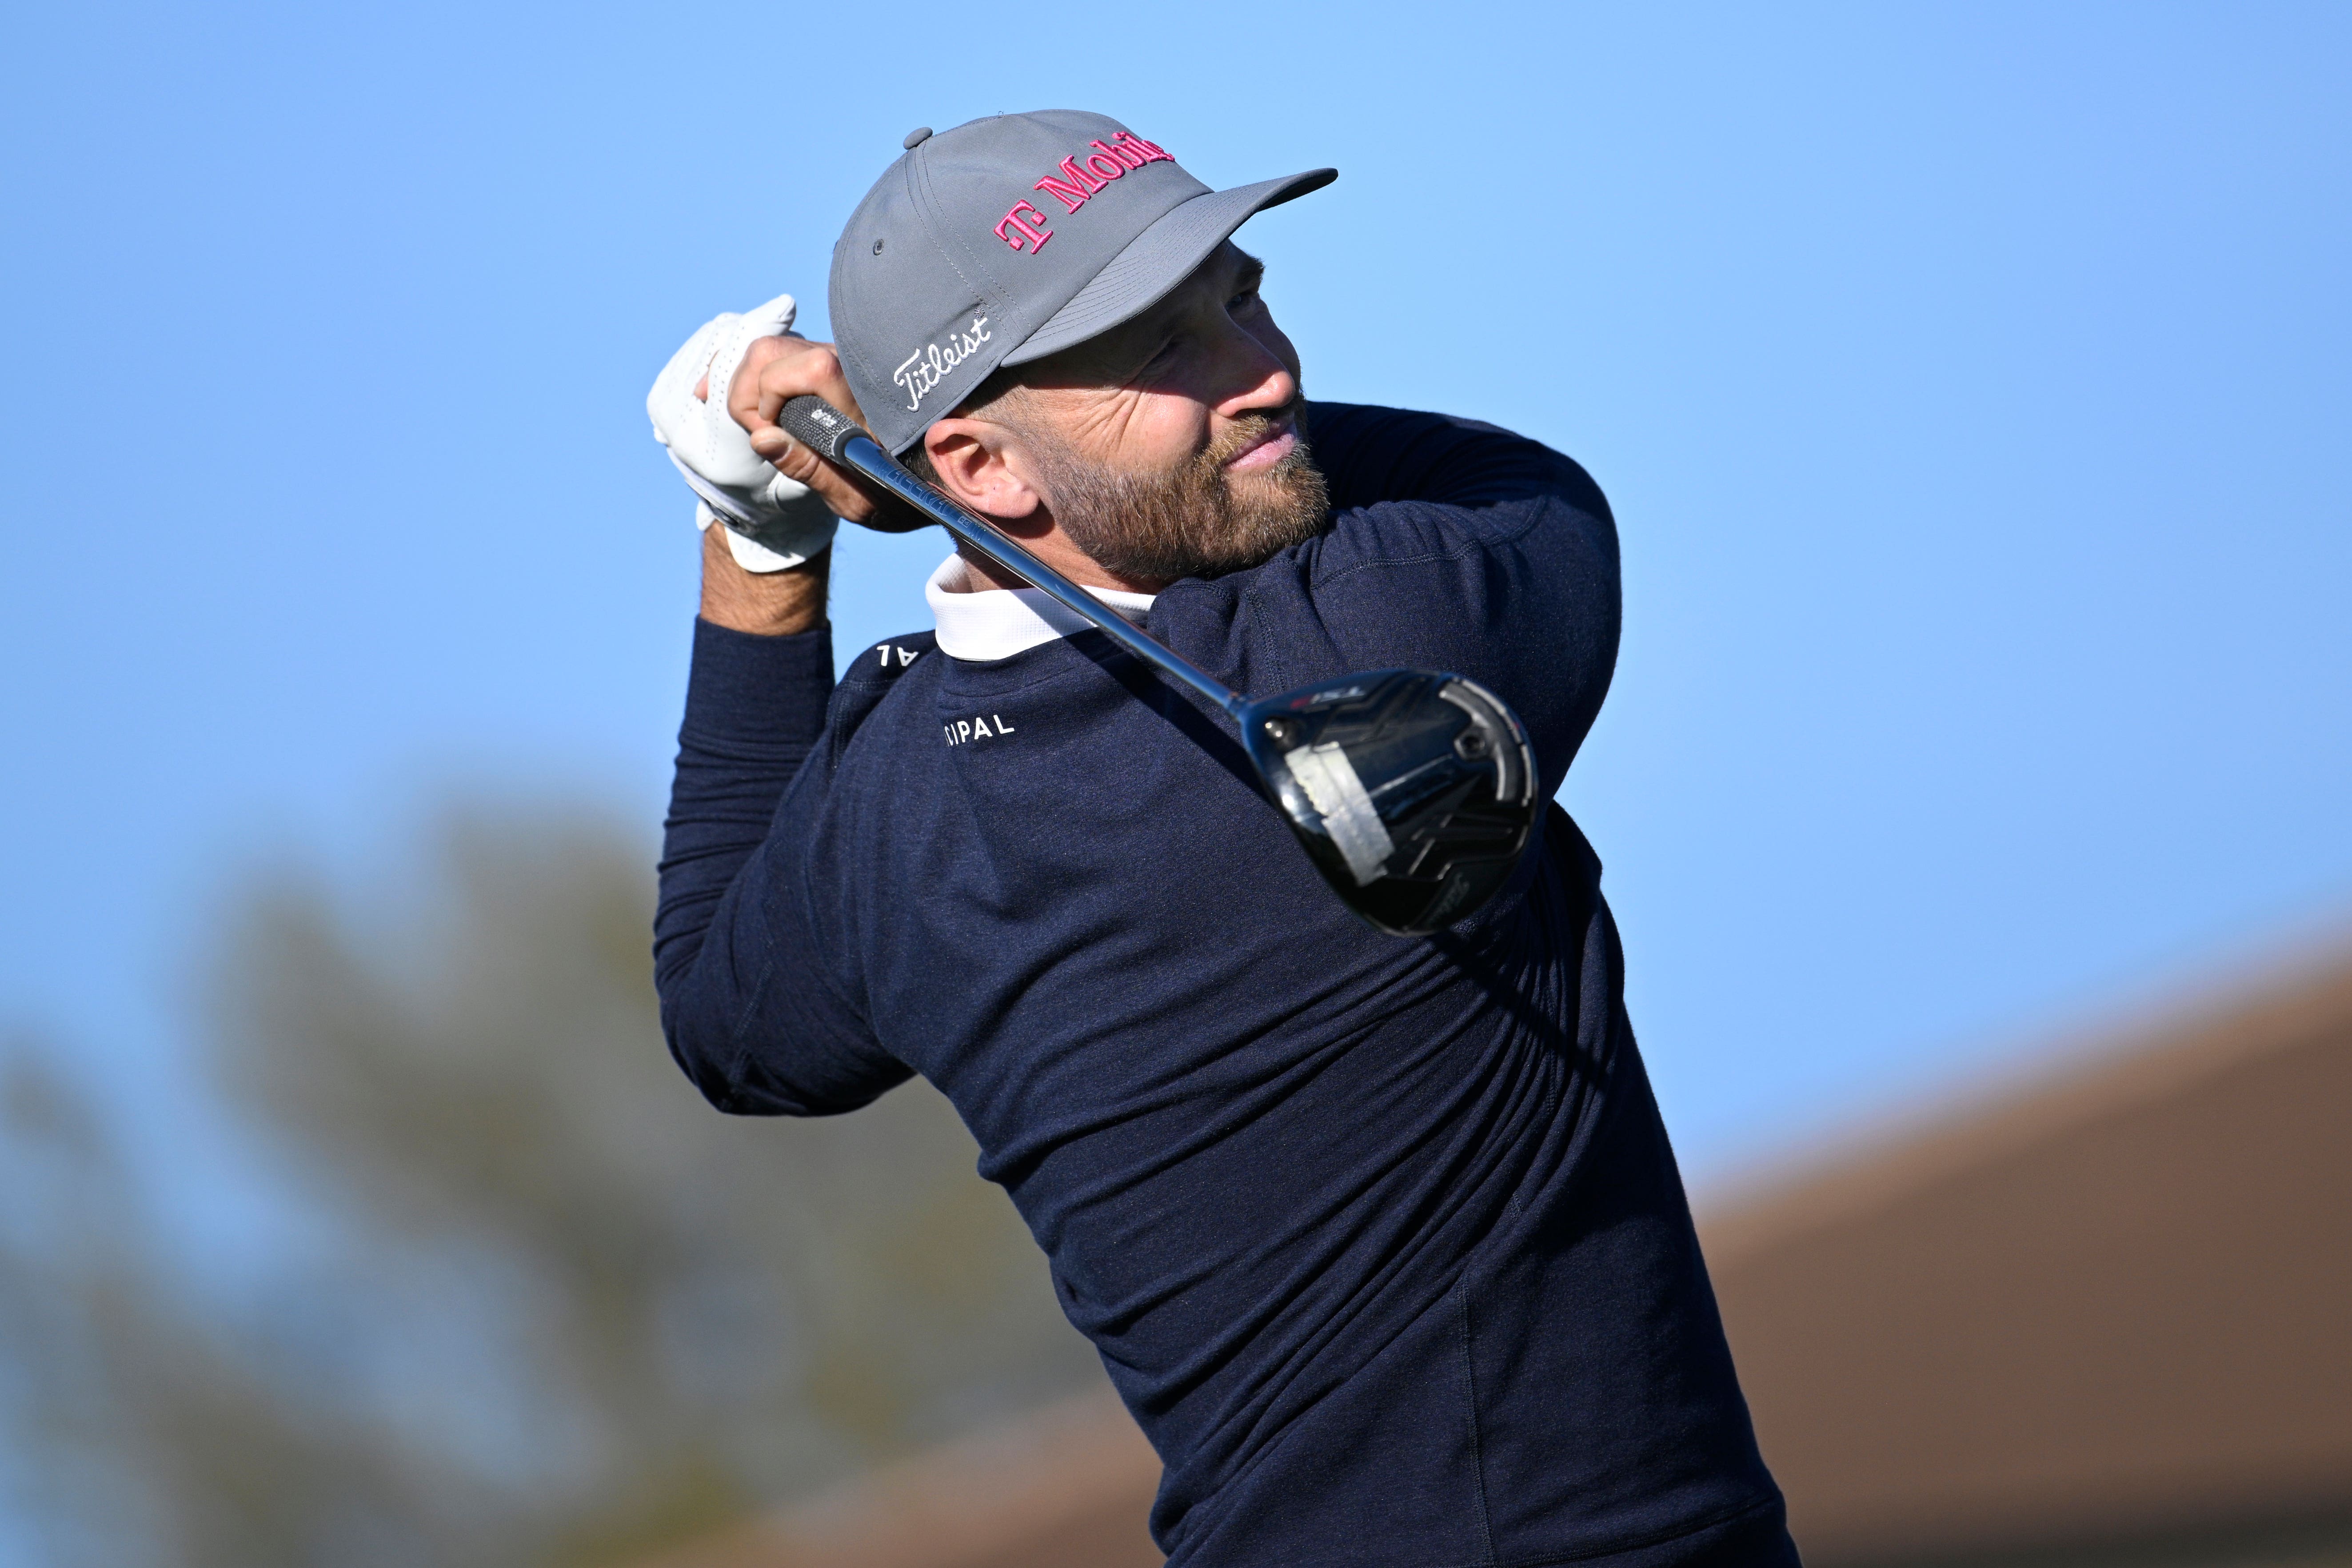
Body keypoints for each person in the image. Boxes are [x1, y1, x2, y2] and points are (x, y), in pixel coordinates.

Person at [646, 111, 1797, 1568]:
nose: (1270, 367)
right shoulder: (1398, 628)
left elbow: (725, 1021)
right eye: (1160, 350)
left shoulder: (881, 814)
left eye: (1241, 293)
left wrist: (757, 540)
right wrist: (947, 469)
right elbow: (1530, 485)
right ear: (982, 470)